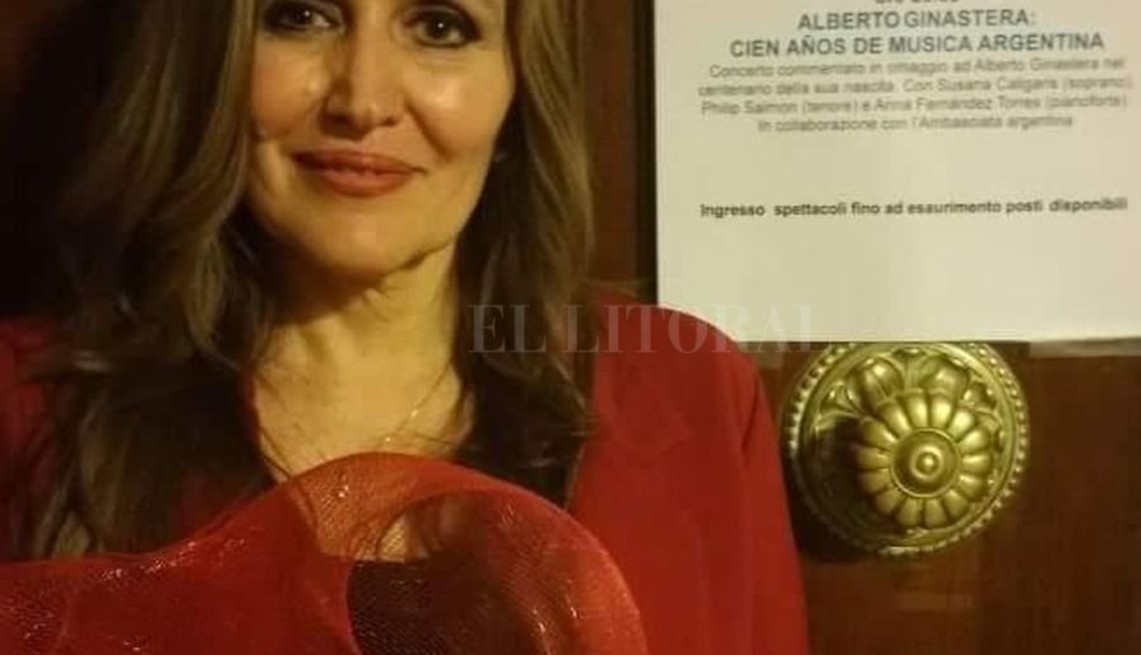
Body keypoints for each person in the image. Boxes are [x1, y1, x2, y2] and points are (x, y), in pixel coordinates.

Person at [0, 0, 809, 654]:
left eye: (440, 26)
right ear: (213, 59)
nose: (363, 100)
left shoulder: (696, 393)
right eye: (300, 16)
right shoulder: (27, 406)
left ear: (520, 86)